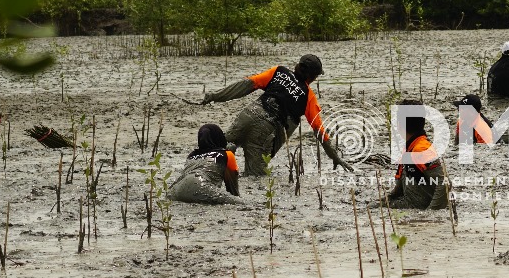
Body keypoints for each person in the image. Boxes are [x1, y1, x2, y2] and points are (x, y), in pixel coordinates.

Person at [202, 54, 352, 176]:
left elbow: (245, 85)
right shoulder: (308, 96)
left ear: (297, 66)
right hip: (264, 130)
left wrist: (215, 96)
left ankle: (223, 153)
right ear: (312, 78)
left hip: (247, 115)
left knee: (216, 152)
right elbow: (319, 129)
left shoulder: (278, 71)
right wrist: (335, 156)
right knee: (256, 177)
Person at [387, 101, 449, 211]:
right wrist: (385, 201)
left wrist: (430, 215)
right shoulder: (411, 147)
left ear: (399, 124)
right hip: (408, 204)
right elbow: (399, 190)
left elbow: (444, 183)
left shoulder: (421, 149)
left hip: (416, 208)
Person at [167, 124, 241, 204]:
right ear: (219, 137)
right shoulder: (227, 154)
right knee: (239, 203)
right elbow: (233, 190)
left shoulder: (191, 155)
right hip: (201, 187)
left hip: (175, 190)